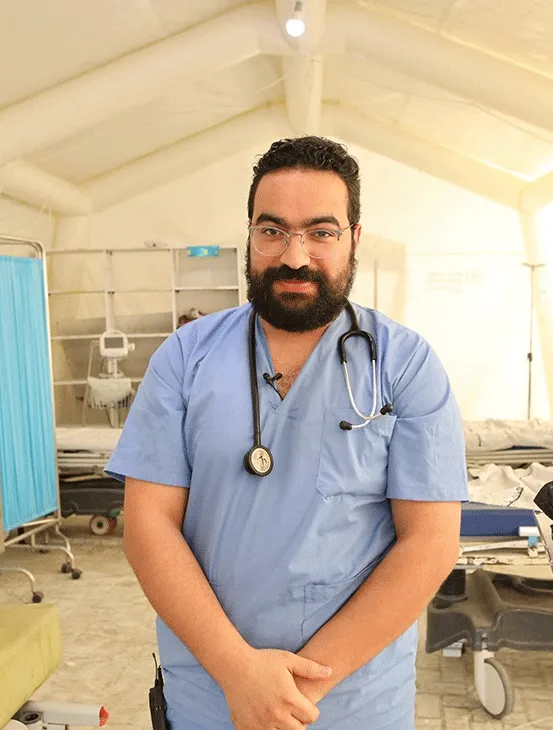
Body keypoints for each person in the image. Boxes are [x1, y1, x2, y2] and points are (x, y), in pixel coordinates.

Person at [107, 136, 468, 730]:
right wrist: (238, 673)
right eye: (272, 231)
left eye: (321, 232)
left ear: (354, 237)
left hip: (350, 700)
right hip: (211, 693)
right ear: (249, 234)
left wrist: (290, 691)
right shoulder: (186, 358)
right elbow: (148, 524)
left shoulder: (404, 364)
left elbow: (429, 542)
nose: (295, 256)